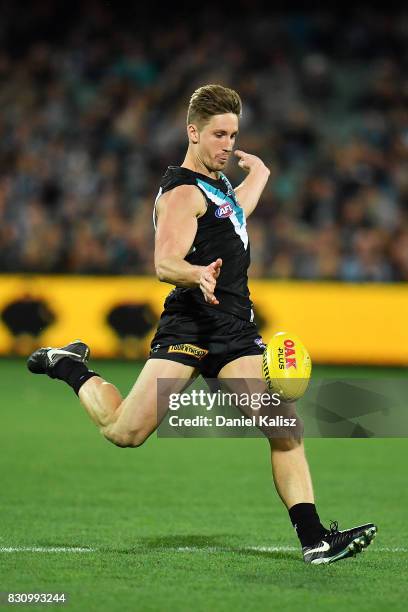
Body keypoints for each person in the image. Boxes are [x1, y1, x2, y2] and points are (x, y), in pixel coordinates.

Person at [27, 84, 377, 564]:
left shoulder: (219, 188)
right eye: (218, 134)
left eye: (233, 134)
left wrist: (262, 175)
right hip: (189, 328)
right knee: (124, 432)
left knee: (283, 426)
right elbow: (164, 261)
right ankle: (69, 366)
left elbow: (236, 216)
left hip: (232, 330)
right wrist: (195, 274)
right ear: (192, 133)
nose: (228, 145)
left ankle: (314, 539)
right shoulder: (181, 192)